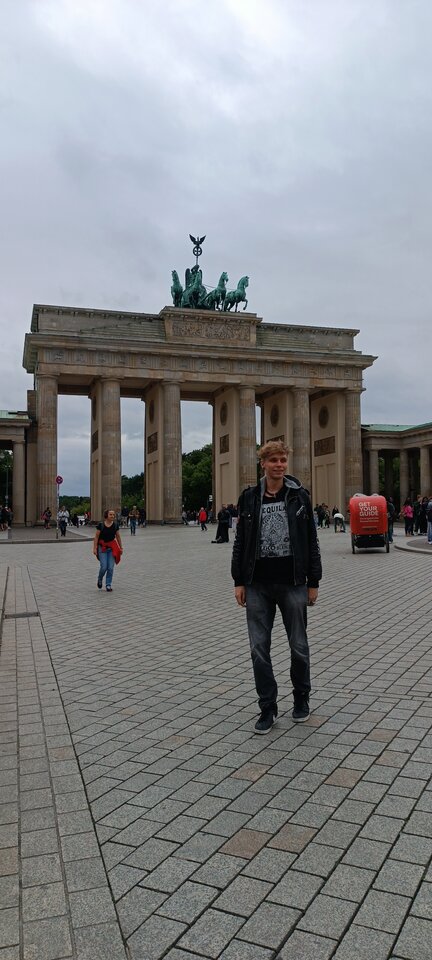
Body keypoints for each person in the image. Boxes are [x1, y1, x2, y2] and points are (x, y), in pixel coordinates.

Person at [232, 440, 322, 733]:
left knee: (299, 645)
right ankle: (267, 707)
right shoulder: (249, 497)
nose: (279, 465)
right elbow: (241, 541)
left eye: (283, 460)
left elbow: (311, 540)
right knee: (258, 648)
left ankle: (301, 698)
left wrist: (313, 581)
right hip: (257, 584)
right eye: (274, 460)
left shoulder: (300, 496)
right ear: (263, 464)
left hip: (292, 582)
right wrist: (238, 580)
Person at [93, 509, 123, 592]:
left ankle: (108, 584)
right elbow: (96, 537)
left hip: (111, 548)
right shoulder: (101, 525)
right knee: (104, 567)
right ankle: (100, 579)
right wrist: (95, 548)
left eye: (113, 515)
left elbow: (118, 536)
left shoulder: (115, 525)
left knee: (110, 567)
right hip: (102, 548)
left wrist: (121, 547)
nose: (112, 516)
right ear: (106, 515)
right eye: (111, 514)